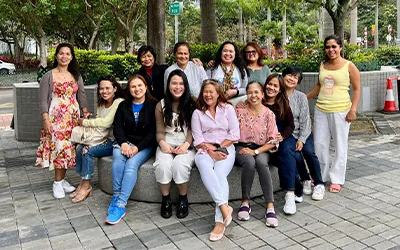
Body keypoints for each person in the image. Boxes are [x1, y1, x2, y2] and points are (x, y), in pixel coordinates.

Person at [307, 34, 360, 193]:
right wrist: (305, 97)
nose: (331, 50)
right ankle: (320, 177)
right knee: (319, 145)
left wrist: (353, 110)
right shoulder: (323, 65)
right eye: (328, 47)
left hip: (341, 111)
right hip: (321, 109)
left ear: (340, 47)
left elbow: (357, 89)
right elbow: (319, 85)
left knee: (339, 145)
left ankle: (336, 179)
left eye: (334, 46)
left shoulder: (349, 66)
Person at [36, 43, 89, 199]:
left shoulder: (76, 75)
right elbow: (43, 101)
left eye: (67, 54)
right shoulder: (48, 76)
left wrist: (84, 113)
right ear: (56, 56)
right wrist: (45, 120)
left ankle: (62, 180)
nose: (64, 56)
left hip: (72, 118)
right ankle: (57, 183)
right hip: (56, 118)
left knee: (68, 151)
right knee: (59, 149)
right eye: (61, 53)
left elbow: (82, 96)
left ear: (71, 57)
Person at [191, 79, 240, 241]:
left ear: (218, 93)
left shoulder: (227, 109)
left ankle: (219, 221)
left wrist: (218, 147)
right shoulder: (197, 113)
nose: (208, 95)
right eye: (205, 92)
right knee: (204, 165)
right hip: (204, 150)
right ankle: (224, 208)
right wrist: (211, 151)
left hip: (225, 147)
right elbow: (197, 140)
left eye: (211, 91)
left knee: (219, 173)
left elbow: (234, 134)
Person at [105, 74, 157, 225]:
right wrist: (124, 144)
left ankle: (121, 204)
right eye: (133, 86)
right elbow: (118, 128)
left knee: (131, 165)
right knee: (117, 160)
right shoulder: (123, 105)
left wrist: (137, 147)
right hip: (124, 143)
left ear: (146, 87)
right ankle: (115, 196)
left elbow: (153, 133)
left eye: (140, 85)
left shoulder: (153, 105)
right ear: (129, 89)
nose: (137, 89)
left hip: (144, 145)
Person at [71, 76, 125, 203]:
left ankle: (86, 185)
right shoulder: (102, 103)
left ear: (115, 89)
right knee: (80, 148)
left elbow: (106, 123)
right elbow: (99, 123)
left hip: (115, 141)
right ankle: (83, 182)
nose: (104, 91)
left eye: (108, 88)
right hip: (103, 137)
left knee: (87, 151)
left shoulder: (119, 102)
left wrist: (85, 122)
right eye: (101, 89)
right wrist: (91, 119)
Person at [235, 81, 279, 227]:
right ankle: (245, 202)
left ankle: (270, 206)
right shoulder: (239, 111)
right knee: (249, 161)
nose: (253, 95)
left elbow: (273, 141)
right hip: (242, 147)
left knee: (260, 161)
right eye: (250, 92)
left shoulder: (269, 114)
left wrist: (256, 151)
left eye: (256, 92)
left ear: (262, 94)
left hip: (262, 148)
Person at [154, 70, 196, 219]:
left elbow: (193, 129)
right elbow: (159, 130)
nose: (177, 87)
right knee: (163, 165)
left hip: (186, 145)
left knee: (180, 165)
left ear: (185, 85)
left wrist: (186, 145)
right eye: (174, 83)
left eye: (181, 83)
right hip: (167, 144)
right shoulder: (161, 104)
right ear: (168, 85)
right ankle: (165, 199)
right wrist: (162, 143)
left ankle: (183, 198)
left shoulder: (193, 103)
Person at [282, 67, 325, 201]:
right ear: (282, 76)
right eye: (289, 75)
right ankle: (305, 179)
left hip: (303, 132)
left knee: (308, 152)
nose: (292, 79)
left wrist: (301, 139)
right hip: (287, 135)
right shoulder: (277, 95)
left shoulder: (300, 97)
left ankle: (318, 183)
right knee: (296, 156)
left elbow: (306, 121)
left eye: (295, 77)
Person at [263, 74, 303, 215]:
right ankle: (297, 185)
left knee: (285, 152)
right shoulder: (259, 102)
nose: (271, 88)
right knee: (281, 160)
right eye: (269, 84)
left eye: (275, 86)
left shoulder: (283, 103)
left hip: (284, 138)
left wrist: (283, 136)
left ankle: (290, 195)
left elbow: (291, 126)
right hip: (266, 141)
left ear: (280, 89)